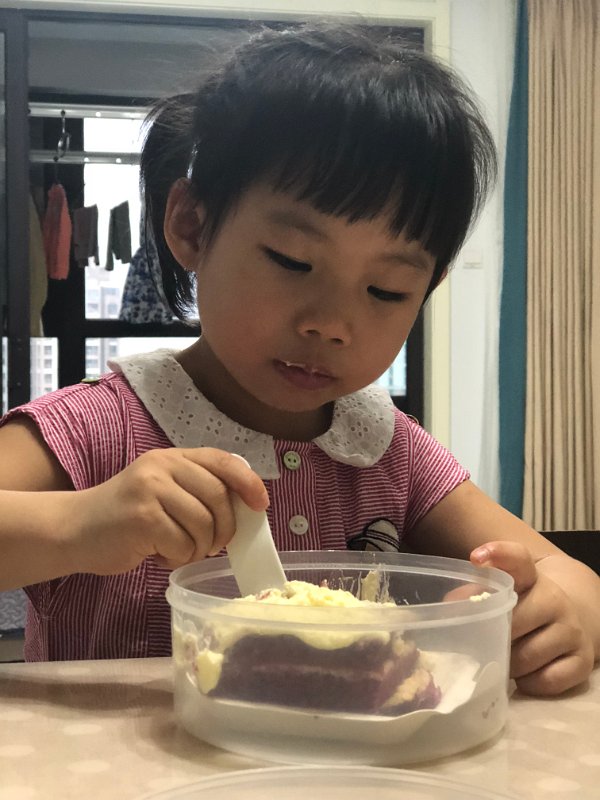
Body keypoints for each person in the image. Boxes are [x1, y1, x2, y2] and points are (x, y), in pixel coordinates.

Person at [1, 23, 598, 693]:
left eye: (386, 290)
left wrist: (562, 612)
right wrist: (81, 523)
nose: (331, 324)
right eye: (291, 260)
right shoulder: (97, 430)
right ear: (192, 226)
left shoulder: (384, 451)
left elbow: (572, 577)